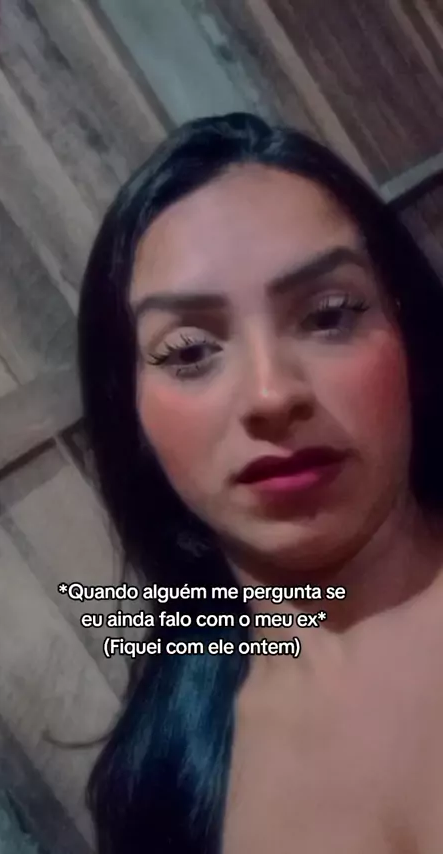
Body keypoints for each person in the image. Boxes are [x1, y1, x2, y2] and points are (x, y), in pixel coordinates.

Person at [77, 112, 443, 854]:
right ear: (129, 414)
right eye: (188, 352)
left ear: (409, 334)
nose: (272, 395)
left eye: (330, 314)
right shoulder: (162, 781)